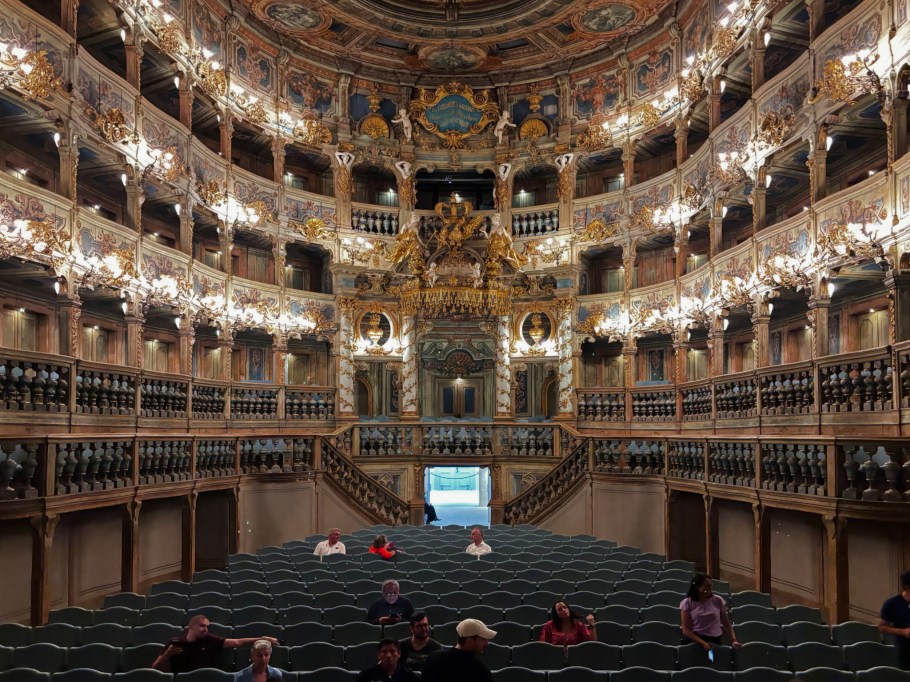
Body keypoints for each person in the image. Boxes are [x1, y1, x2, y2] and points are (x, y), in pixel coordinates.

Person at [152, 614, 279, 673]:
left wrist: (263, 638)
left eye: (207, 626)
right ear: (190, 626)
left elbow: (237, 642)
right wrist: (167, 655)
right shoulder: (175, 643)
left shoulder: (209, 640)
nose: (205, 629)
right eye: (202, 626)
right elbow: (155, 667)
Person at [679, 573, 741, 652]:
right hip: (696, 640)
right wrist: (703, 643)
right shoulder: (688, 602)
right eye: (706, 586)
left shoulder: (717, 600)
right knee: (699, 663)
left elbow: (726, 623)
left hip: (715, 640)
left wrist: (733, 640)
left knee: (713, 661)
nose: (710, 588)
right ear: (698, 587)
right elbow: (686, 630)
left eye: (710, 585)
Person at [422, 618, 496, 682]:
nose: (487, 643)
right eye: (483, 639)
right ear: (469, 641)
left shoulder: (433, 658)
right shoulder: (481, 672)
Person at [879, 570, 910, 670]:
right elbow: (882, 627)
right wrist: (902, 631)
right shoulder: (892, 604)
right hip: (904, 649)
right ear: (906, 588)